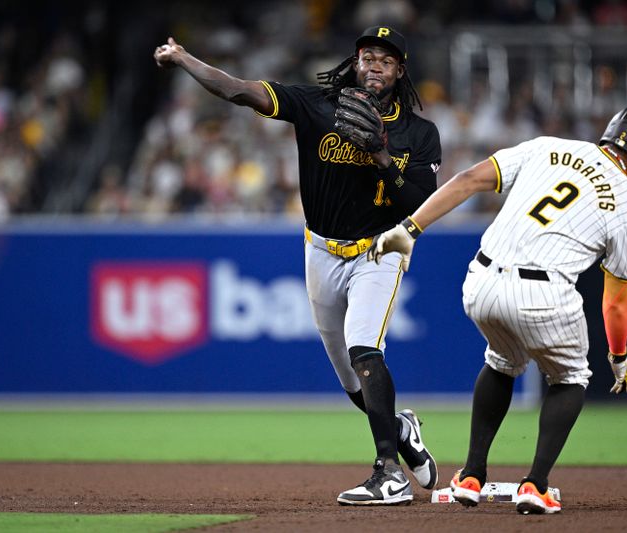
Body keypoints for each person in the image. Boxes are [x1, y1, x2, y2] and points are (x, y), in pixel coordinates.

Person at [154, 26, 441, 505]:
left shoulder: (419, 133)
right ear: (355, 62)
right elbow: (240, 90)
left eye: (386, 60)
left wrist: (380, 155)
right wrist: (184, 58)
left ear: (400, 71)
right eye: (368, 56)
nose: (375, 65)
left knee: (364, 349)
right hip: (321, 250)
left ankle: (388, 471)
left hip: (380, 250)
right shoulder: (317, 105)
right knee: (352, 383)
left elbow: (420, 204)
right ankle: (400, 428)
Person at [369, 106, 627, 514]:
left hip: (482, 282)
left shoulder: (547, 147)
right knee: (571, 377)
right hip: (544, 293)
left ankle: (470, 476)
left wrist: (410, 228)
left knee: (502, 361)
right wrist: (619, 356)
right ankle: (535, 485)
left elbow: (468, 179)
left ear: (609, 135)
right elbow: (616, 300)